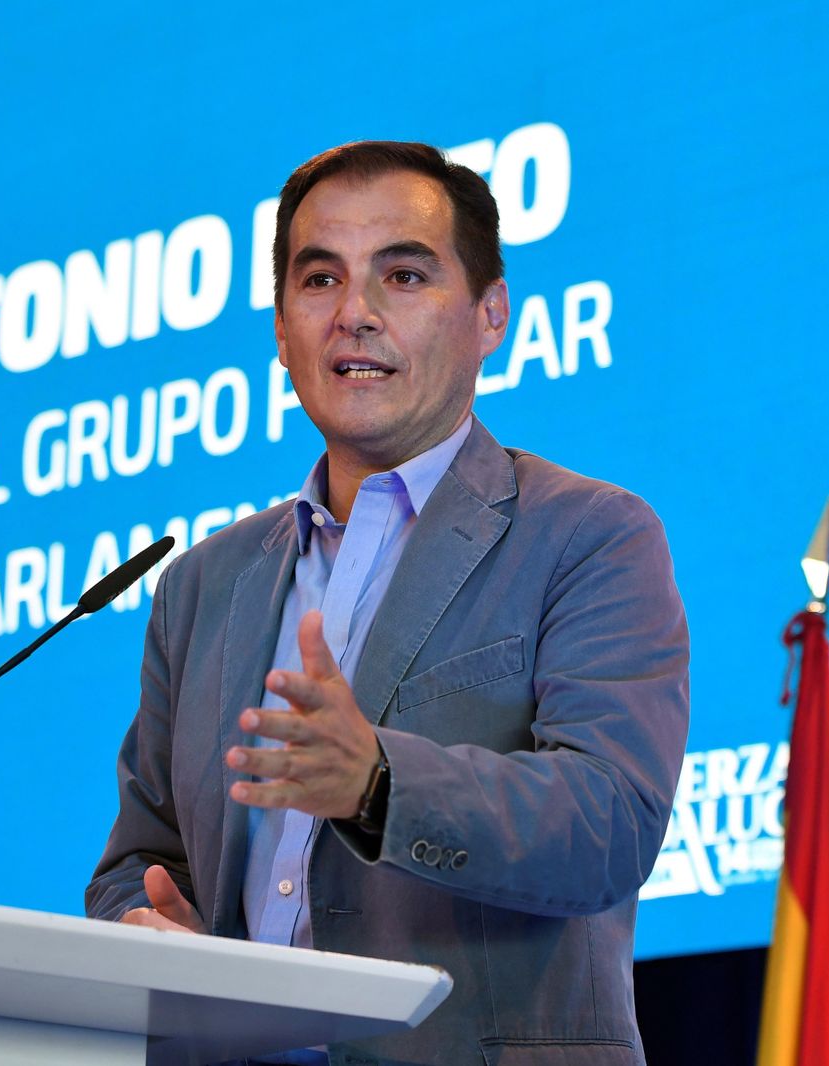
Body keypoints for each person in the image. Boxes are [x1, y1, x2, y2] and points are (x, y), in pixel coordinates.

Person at [87, 141, 689, 1066]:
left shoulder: (588, 534)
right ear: (281, 330)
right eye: (319, 279)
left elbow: (608, 825)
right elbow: (141, 857)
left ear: (491, 316)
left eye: (403, 275)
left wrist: (375, 786)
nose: (355, 313)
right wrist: (146, 923)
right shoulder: (203, 583)